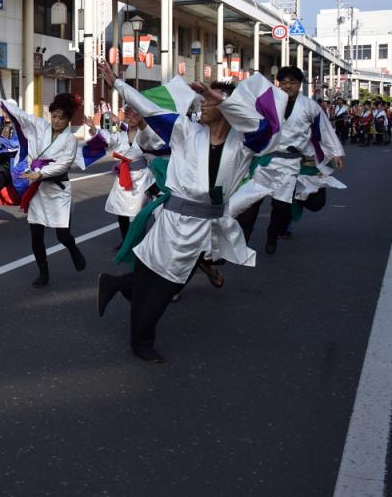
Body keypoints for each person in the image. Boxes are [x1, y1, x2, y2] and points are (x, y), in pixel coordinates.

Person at [96, 62, 286, 363]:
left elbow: (261, 128)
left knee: (166, 279)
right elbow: (150, 109)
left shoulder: (245, 144)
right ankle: (141, 339)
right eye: (203, 100)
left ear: (230, 108)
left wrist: (221, 97)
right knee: (163, 283)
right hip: (174, 220)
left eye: (209, 101)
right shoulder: (185, 131)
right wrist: (119, 84)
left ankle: (117, 285)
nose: (203, 105)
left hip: (209, 223)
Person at [236, 66, 345, 255]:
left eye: (292, 82)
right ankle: (242, 241)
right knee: (251, 202)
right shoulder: (267, 103)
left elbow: (324, 128)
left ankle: (272, 234)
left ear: (299, 84)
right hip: (265, 160)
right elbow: (248, 121)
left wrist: (335, 151)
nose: (287, 86)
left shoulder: (310, 106)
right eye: (283, 82)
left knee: (281, 205)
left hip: (290, 162)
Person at [0, 93, 86, 288]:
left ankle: (72, 248)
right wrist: (2, 102)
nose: (56, 121)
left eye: (61, 117)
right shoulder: (41, 126)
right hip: (38, 190)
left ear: (68, 119)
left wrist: (41, 174)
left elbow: (63, 165)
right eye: (54, 116)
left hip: (58, 190)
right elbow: (21, 115)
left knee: (62, 235)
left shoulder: (70, 140)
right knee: (36, 233)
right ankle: (43, 272)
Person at [78, 104, 166, 248]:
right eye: (129, 114)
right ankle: (125, 241)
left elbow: (156, 146)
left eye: (135, 115)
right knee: (121, 212)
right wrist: (93, 129)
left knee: (140, 213)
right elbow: (106, 139)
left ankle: (140, 242)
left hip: (141, 178)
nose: (131, 118)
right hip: (124, 179)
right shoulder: (120, 136)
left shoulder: (144, 136)